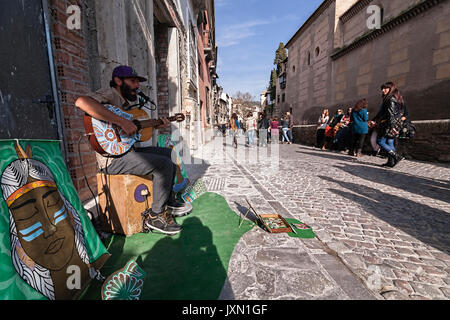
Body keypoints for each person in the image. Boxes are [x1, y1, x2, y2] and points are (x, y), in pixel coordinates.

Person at [75, 65, 191, 235]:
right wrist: (122, 122)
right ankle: (155, 217)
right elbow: (81, 102)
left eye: (138, 82)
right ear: (118, 81)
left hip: (128, 152)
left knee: (169, 154)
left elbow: (135, 134)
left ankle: (166, 201)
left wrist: (156, 124)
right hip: (112, 160)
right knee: (163, 164)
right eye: (133, 81)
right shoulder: (110, 94)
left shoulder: (125, 104)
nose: (137, 86)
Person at [371, 81, 405, 168]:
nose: (383, 90)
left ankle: (396, 156)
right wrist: (374, 119)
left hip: (390, 123)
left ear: (391, 89)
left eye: (385, 88)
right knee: (389, 141)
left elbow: (391, 114)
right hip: (391, 122)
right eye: (382, 88)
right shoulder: (389, 99)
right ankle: (390, 162)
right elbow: (382, 112)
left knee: (380, 141)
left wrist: (392, 126)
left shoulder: (390, 99)